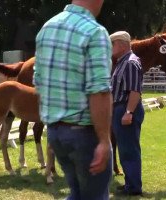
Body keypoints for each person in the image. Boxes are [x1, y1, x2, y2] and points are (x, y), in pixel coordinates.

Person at [33, 0, 113, 199]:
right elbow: (100, 91)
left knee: (77, 193)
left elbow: (39, 82)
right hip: (84, 134)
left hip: (55, 132)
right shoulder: (94, 32)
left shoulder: (47, 28)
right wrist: (104, 141)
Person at [110, 31, 144, 196]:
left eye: (113, 44)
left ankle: (134, 187)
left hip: (126, 108)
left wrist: (129, 112)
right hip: (120, 108)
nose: (111, 47)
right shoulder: (122, 62)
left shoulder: (130, 63)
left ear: (122, 44)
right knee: (125, 149)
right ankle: (130, 183)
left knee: (129, 149)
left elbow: (134, 91)